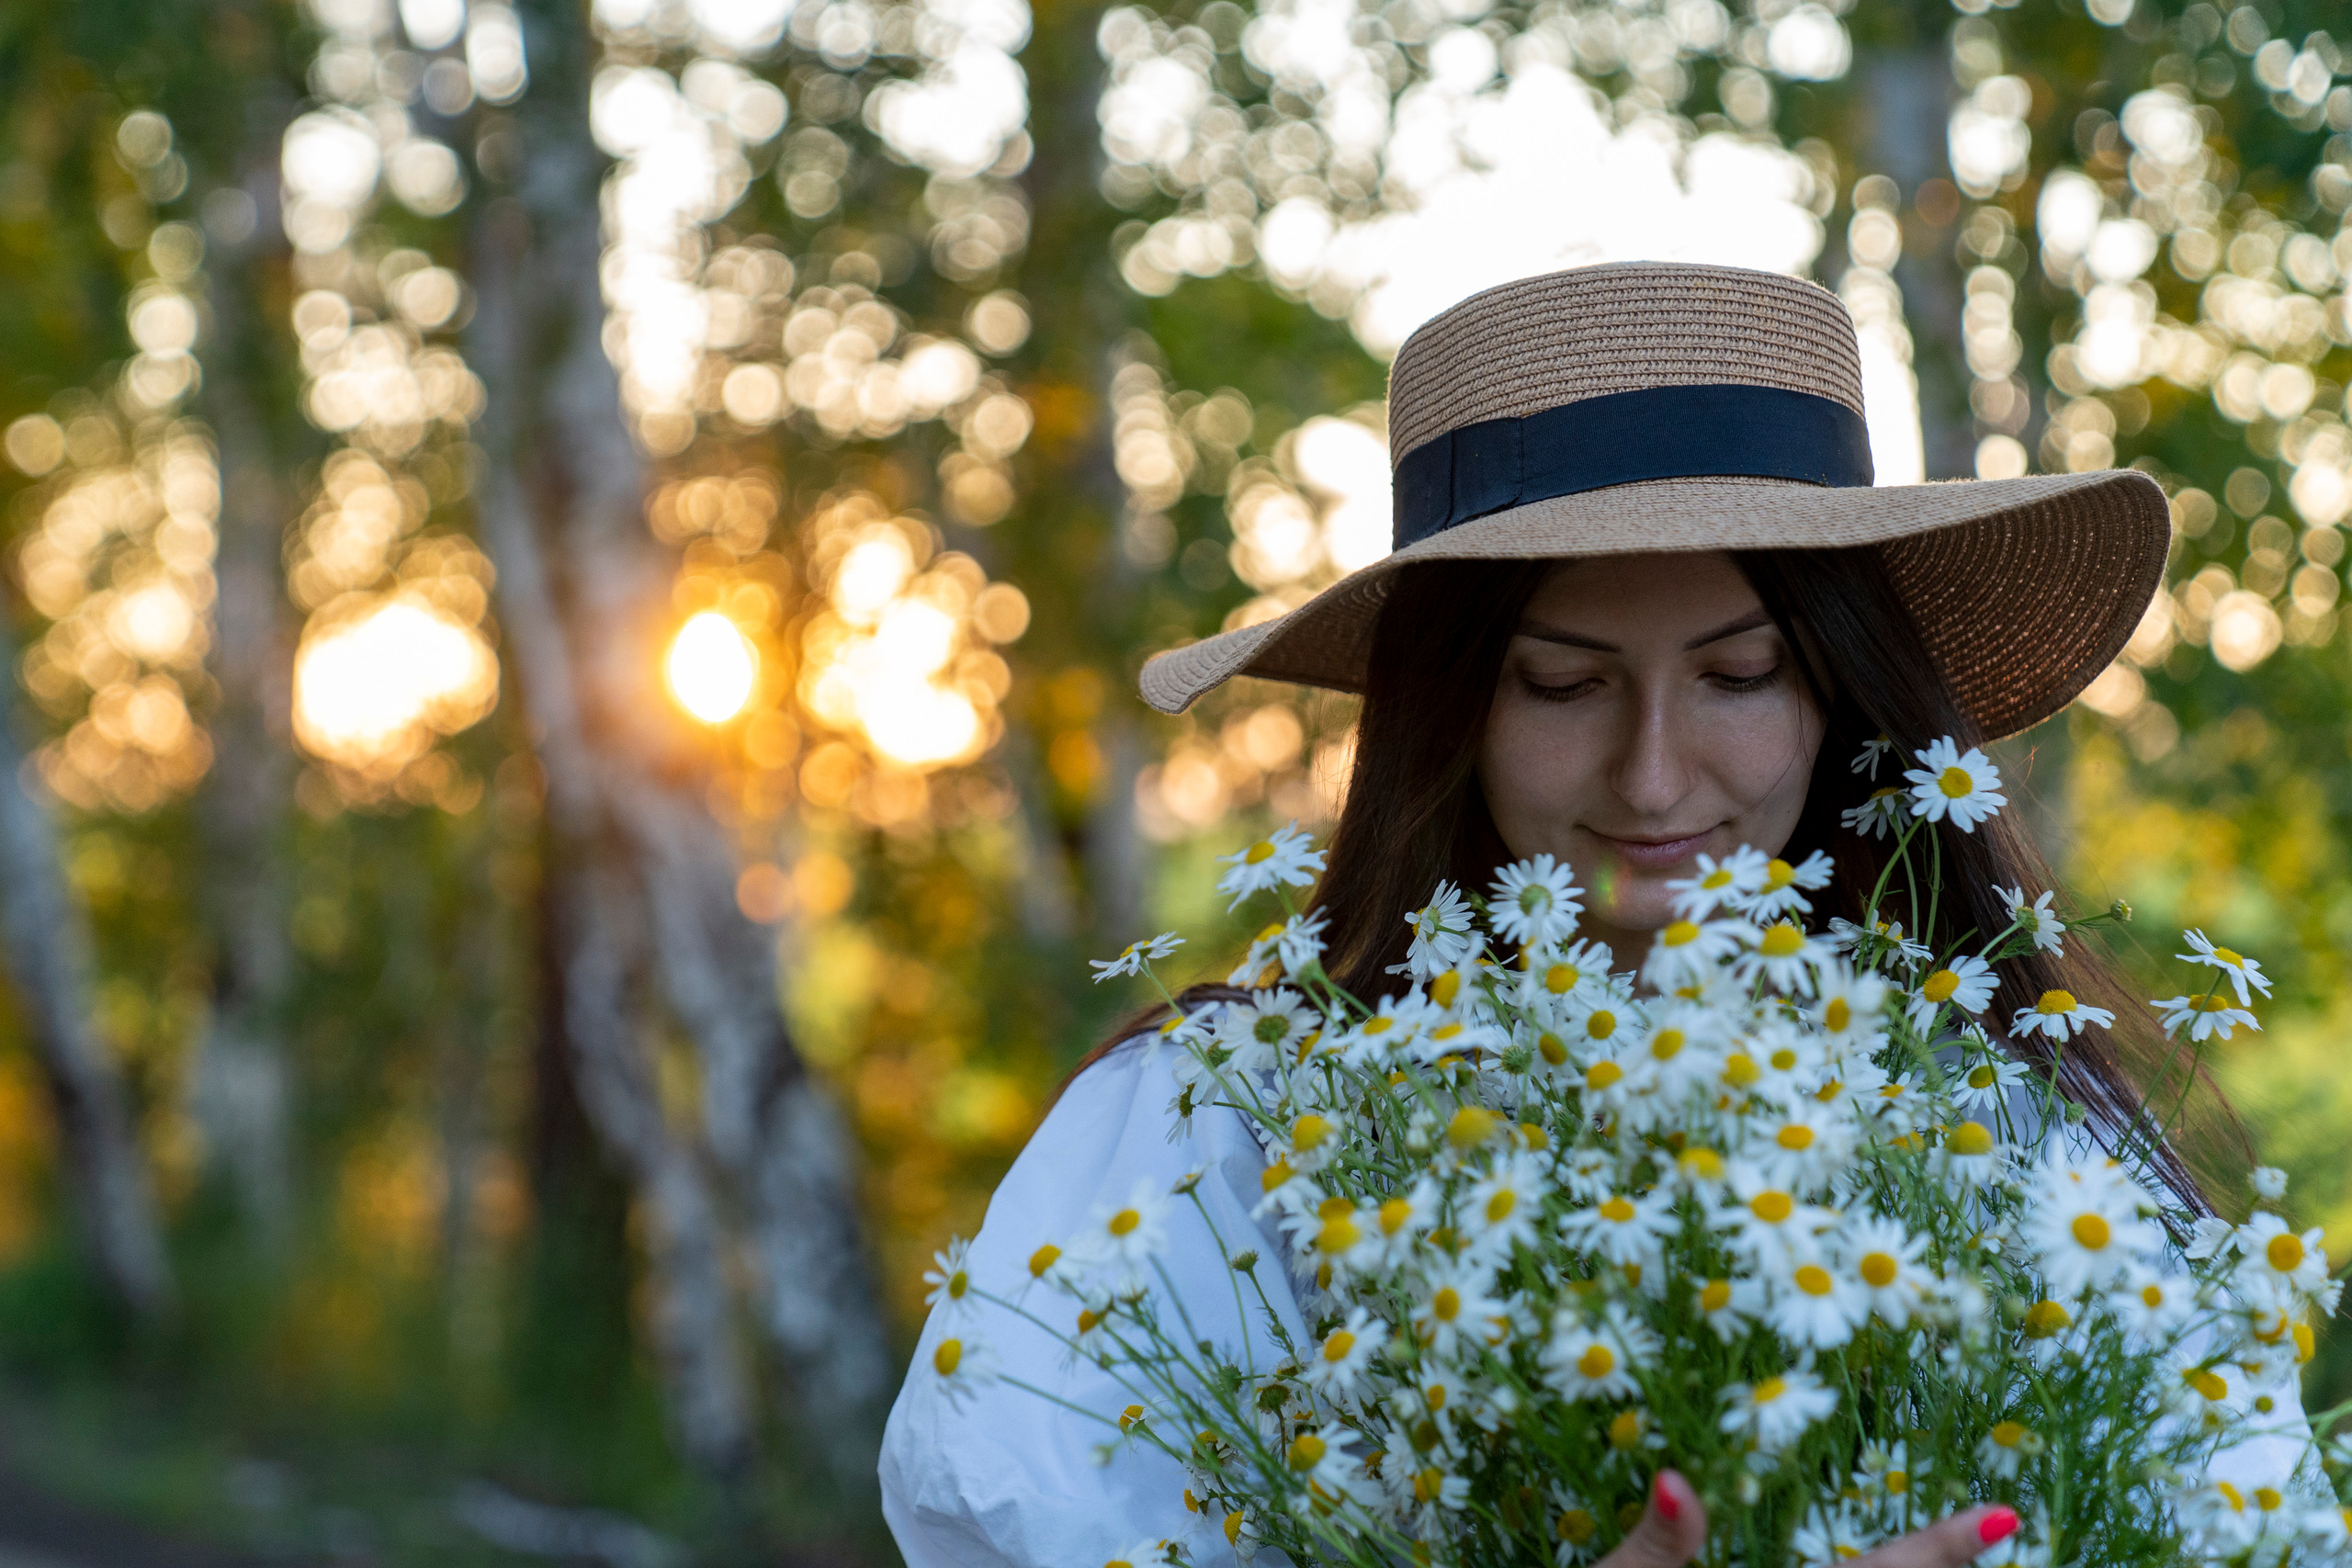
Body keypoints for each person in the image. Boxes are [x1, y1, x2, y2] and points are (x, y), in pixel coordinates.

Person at [879, 262, 2260, 1568]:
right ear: (1451, 710)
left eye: (1737, 674)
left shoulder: (2014, 1129)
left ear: (1839, 696)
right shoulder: (1224, 1137)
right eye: (1562, 684)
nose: (1654, 777)